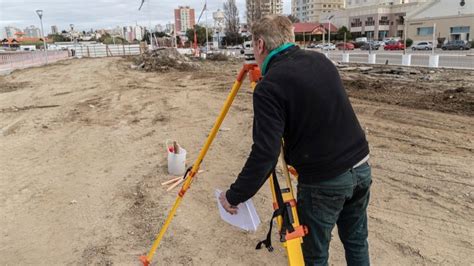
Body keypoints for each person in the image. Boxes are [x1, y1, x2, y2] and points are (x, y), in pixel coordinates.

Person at [218, 15, 371, 266]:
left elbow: (265, 154)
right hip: (361, 165)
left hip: (325, 180)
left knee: (314, 255)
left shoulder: (270, 86)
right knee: (356, 241)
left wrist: (234, 195)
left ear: (260, 45)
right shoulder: (320, 60)